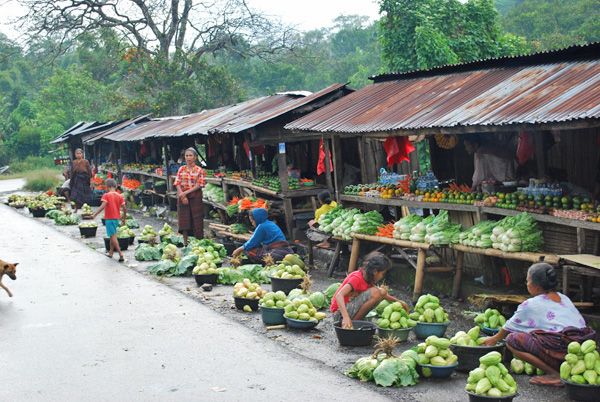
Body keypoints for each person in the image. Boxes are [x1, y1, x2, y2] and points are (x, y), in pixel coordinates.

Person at [483, 263, 595, 387]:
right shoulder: (564, 298)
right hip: (581, 350)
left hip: (562, 348)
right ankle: (563, 370)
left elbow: (509, 327)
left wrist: (493, 339)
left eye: (527, 281)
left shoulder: (531, 304)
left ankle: (555, 375)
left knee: (512, 340)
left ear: (535, 286)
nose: (527, 284)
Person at [331, 252, 409, 329]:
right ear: (375, 271)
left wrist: (399, 302)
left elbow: (384, 294)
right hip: (339, 314)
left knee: (381, 291)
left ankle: (355, 322)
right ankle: (353, 324)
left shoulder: (368, 278)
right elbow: (339, 295)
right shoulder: (357, 278)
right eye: (382, 273)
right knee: (376, 292)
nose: (382, 276)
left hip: (348, 310)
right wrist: (346, 318)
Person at [174, 148, 206, 245]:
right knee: (184, 220)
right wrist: (182, 195)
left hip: (195, 196)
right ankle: (185, 242)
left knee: (197, 219)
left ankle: (198, 242)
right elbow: (177, 183)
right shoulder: (181, 169)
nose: (188, 157)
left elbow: (199, 185)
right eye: (186, 156)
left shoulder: (199, 170)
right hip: (182, 196)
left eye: (190, 155)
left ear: (195, 157)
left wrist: (185, 193)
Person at [92, 178, 127, 262]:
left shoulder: (106, 195)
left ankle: (120, 254)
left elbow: (103, 206)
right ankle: (111, 252)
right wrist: (124, 218)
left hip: (109, 219)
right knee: (112, 236)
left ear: (108, 187)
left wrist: (95, 214)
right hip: (116, 219)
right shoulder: (120, 196)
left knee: (113, 237)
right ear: (115, 186)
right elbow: (124, 208)